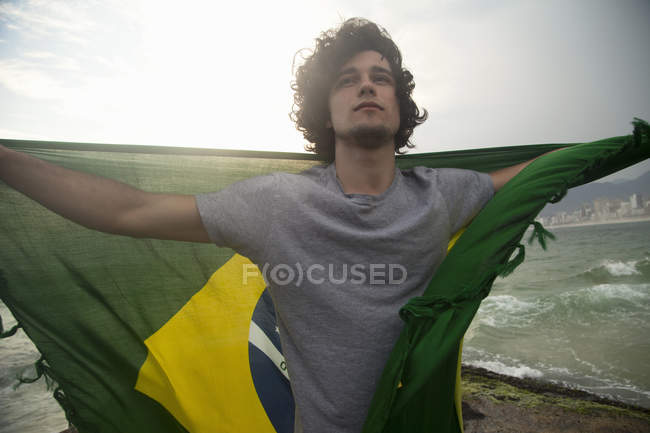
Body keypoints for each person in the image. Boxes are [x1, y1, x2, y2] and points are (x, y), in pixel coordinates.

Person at [0, 18, 537, 433]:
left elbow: (546, 172)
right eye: (348, 80)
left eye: (381, 79)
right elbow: (129, 211)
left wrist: (619, 144)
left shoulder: (444, 194)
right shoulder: (279, 204)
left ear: (400, 105)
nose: (367, 87)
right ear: (326, 113)